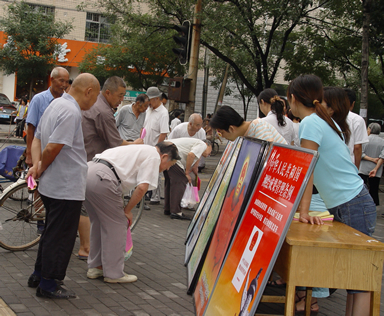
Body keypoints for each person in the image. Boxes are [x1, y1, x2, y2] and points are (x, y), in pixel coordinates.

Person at [287, 74, 376, 316]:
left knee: (359, 282)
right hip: (351, 202)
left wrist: (303, 211)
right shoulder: (322, 120)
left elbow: (307, 170)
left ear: (293, 98)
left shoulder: (310, 123)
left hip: (352, 203)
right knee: (354, 281)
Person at [26, 73, 100, 299]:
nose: (94, 103)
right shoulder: (70, 111)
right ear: (88, 91)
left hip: (52, 185)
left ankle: (39, 274)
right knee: (61, 237)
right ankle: (49, 284)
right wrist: (42, 167)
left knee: (51, 232)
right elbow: (53, 148)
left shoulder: (55, 104)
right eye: (95, 97)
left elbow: (38, 139)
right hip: (65, 185)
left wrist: (38, 166)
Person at [85, 142, 180, 283]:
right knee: (117, 225)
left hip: (88, 173)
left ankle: (96, 267)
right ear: (164, 156)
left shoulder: (140, 149)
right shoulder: (154, 156)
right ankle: (114, 273)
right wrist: (127, 211)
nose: (166, 169)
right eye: (169, 165)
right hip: (104, 178)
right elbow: (142, 188)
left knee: (98, 222)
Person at [80, 76, 143, 260]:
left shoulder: (96, 105)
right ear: (107, 92)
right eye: (120, 95)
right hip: (91, 162)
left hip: (85, 157)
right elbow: (116, 143)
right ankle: (86, 248)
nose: (121, 99)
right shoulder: (104, 112)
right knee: (85, 207)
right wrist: (136, 144)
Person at [25, 67, 70, 166]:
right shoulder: (38, 99)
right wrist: (29, 154)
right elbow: (31, 128)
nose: (64, 85)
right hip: (39, 152)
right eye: (61, 81)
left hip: (58, 155)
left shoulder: (67, 102)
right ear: (52, 79)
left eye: (67, 82)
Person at [164, 138, 212, 220]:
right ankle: (176, 212)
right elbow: (191, 155)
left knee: (170, 181)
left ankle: (168, 208)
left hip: (165, 152)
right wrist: (186, 173)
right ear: (208, 145)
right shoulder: (202, 144)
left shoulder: (194, 143)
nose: (208, 155)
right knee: (180, 181)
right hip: (173, 155)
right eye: (210, 152)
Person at [143, 87, 169, 204]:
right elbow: (144, 128)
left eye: (150, 100)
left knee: (156, 172)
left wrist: (158, 148)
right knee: (145, 170)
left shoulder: (163, 113)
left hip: (155, 147)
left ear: (157, 99)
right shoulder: (149, 110)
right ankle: (146, 193)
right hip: (145, 146)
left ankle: (155, 196)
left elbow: (163, 133)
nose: (148, 103)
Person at [209, 106, 287, 144]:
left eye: (220, 132)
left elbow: (266, 155)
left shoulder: (259, 127)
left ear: (231, 128)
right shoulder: (245, 135)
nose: (221, 136)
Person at [359, 123, 384, 206]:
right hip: (376, 170)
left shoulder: (365, 140)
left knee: (362, 188)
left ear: (370, 129)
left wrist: (371, 159)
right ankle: (373, 205)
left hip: (363, 169)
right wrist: (376, 166)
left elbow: (360, 154)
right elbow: (382, 156)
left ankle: (362, 204)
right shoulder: (382, 141)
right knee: (374, 189)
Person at [344, 88, 369, 169]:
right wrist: (356, 170)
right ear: (353, 103)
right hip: (348, 164)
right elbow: (357, 147)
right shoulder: (357, 119)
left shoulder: (328, 117)